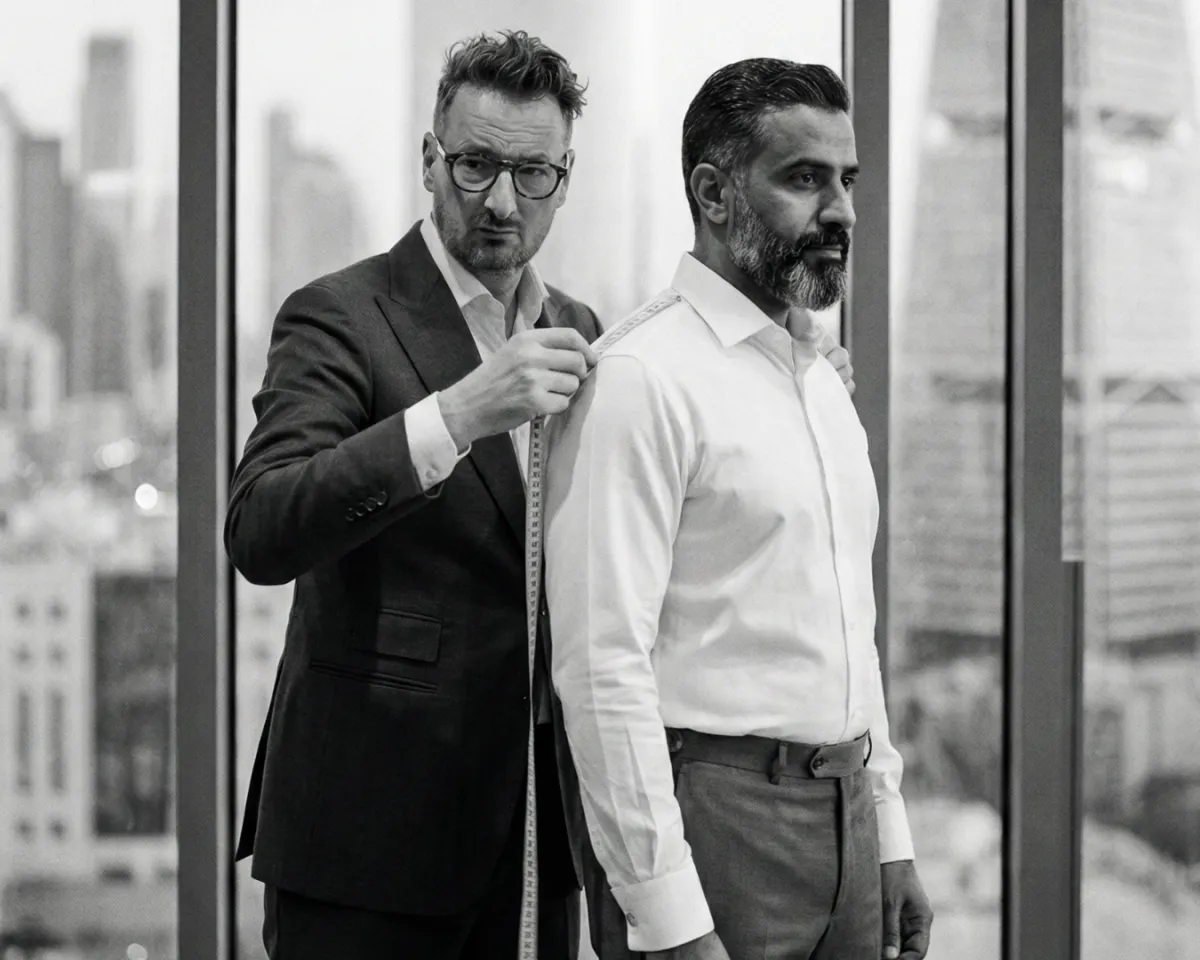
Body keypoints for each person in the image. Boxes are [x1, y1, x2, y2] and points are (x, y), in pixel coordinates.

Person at [544, 59, 934, 960]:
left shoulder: (819, 380)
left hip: (848, 819)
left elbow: (852, 626)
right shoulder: (640, 380)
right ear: (714, 194)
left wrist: (888, 832)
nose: (840, 210)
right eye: (804, 179)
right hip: (717, 824)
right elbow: (602, 670)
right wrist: (668, 918)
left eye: (847, 180)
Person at [226, 30, 602, 959]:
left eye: (533, 173)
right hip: (367, 842)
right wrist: (458, 413)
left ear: (564, 180)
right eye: (476, 165)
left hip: (534, 837)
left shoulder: (578, 327)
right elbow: (262, 527)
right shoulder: (338, 314)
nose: (503, 201)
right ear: (429, 160)